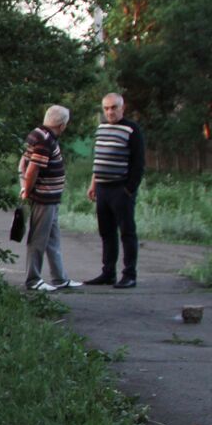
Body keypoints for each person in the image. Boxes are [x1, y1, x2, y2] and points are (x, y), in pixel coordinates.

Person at [85, 92, 145, 288]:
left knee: (127, 232)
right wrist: (93, 183)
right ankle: (108, 272)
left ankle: (129, 274)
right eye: (106, 108)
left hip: (121, 189)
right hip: (103, 188)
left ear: (122, 108)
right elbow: (98, 159)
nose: (110, 111)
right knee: (106, 232)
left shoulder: (132, 129)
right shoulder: (101, 128)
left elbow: (139, 163)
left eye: (113, 107)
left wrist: (129, 189)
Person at [20, 105, 82, 292]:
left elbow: (23, 162)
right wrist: (27, 190)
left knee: (53, 238)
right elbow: (32, 168)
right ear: (62, 125)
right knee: (38, 238)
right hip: (44, 197)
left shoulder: (37, 133)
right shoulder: (45, 140)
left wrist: (25, 185)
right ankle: (33, 279)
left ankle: (59, 278)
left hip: (51, 198)